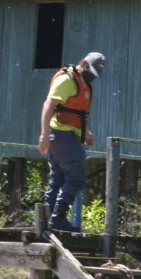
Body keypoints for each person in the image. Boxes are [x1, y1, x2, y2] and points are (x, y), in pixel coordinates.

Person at [38, 52, 107, 232]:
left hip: (66, 135)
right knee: (77, 177)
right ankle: (57, 217)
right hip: (61, 135)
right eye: (91, 71)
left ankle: (47, 222)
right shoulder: (67, 80)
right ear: (83, 64)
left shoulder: (83, 83)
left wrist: (85, 132)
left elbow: (73, 112)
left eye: (95, 75)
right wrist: (44, 135)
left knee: (58, 179)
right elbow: (49, 105)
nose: (92, 76)